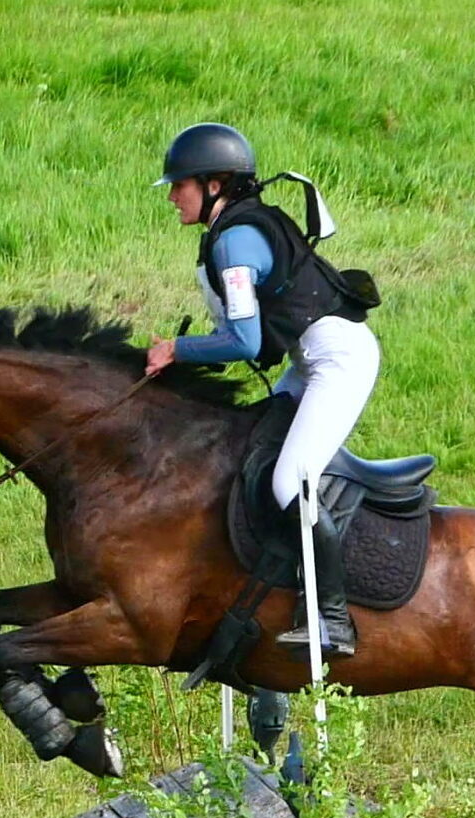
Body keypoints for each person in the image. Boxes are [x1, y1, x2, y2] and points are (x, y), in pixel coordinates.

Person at [144, 123, 379, 657]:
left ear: (214, 184)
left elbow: (244, 341)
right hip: (310, 359)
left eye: (180, 185)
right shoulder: (232, 230)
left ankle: (333, 619)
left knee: (290, 480)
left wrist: (177, 350)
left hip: (337, 361)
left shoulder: (236, 241)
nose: (173, 197)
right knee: (252, 454)